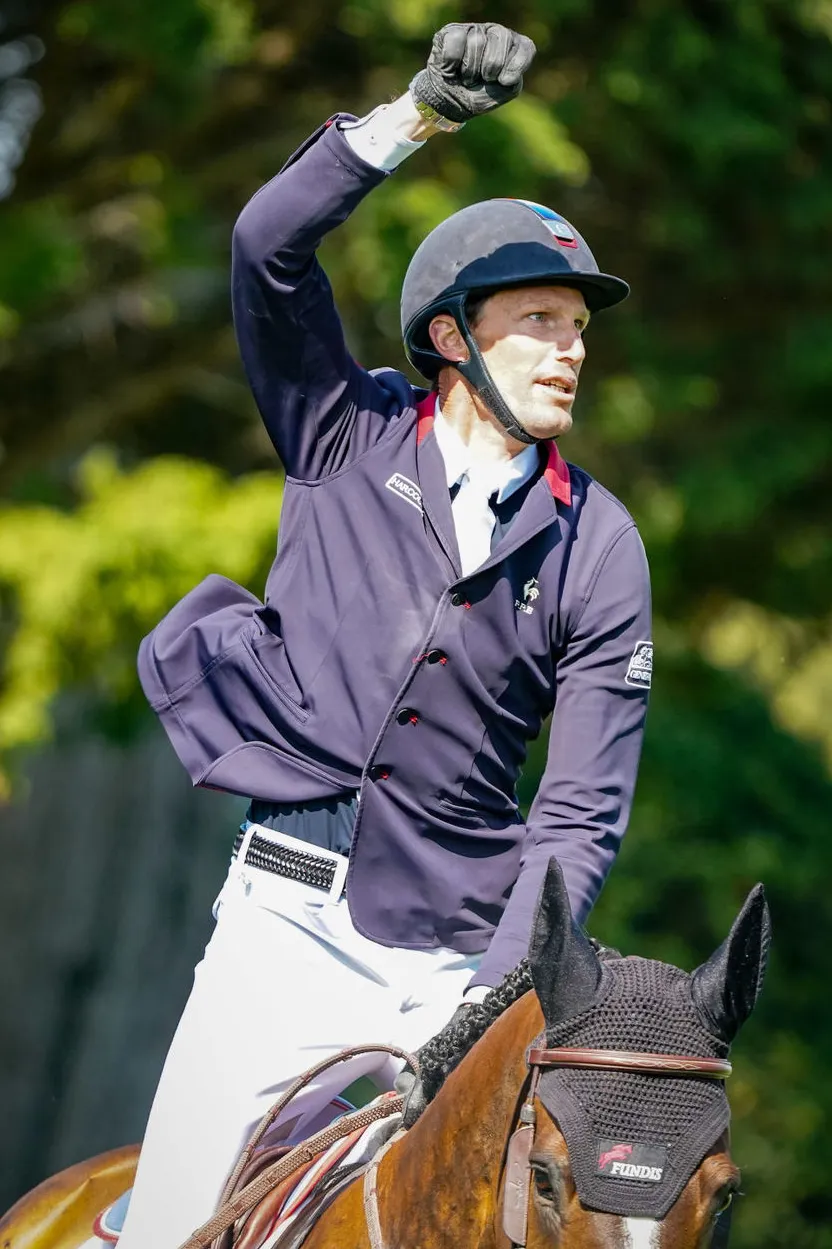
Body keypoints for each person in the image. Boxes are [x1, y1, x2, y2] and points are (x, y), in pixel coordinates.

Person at [118, 21, 652, 1247]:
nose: (572, 349)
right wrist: (418, 116)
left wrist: (494, 996)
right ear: (454, 337)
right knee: (167, 1226)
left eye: (579, 327)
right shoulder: (340, 429)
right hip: (280, 927)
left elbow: (578, 813)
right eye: (539, 320)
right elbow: (266, 246)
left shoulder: (601, 543)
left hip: (458, 963)